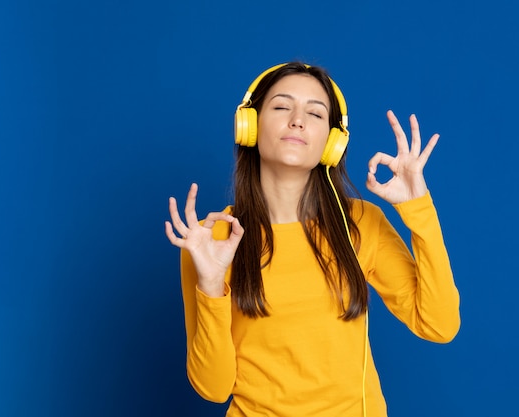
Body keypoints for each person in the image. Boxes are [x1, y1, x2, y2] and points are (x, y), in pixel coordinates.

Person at [165, 62, 460, 417]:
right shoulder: (211, 240)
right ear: (250, 125)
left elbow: (439, 325)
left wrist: (418, 209)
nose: (297, 120)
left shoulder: (361, 223)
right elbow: (213, 388)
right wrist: (211, 285)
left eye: (315, 114)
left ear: (332, 144)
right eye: (281, 106)